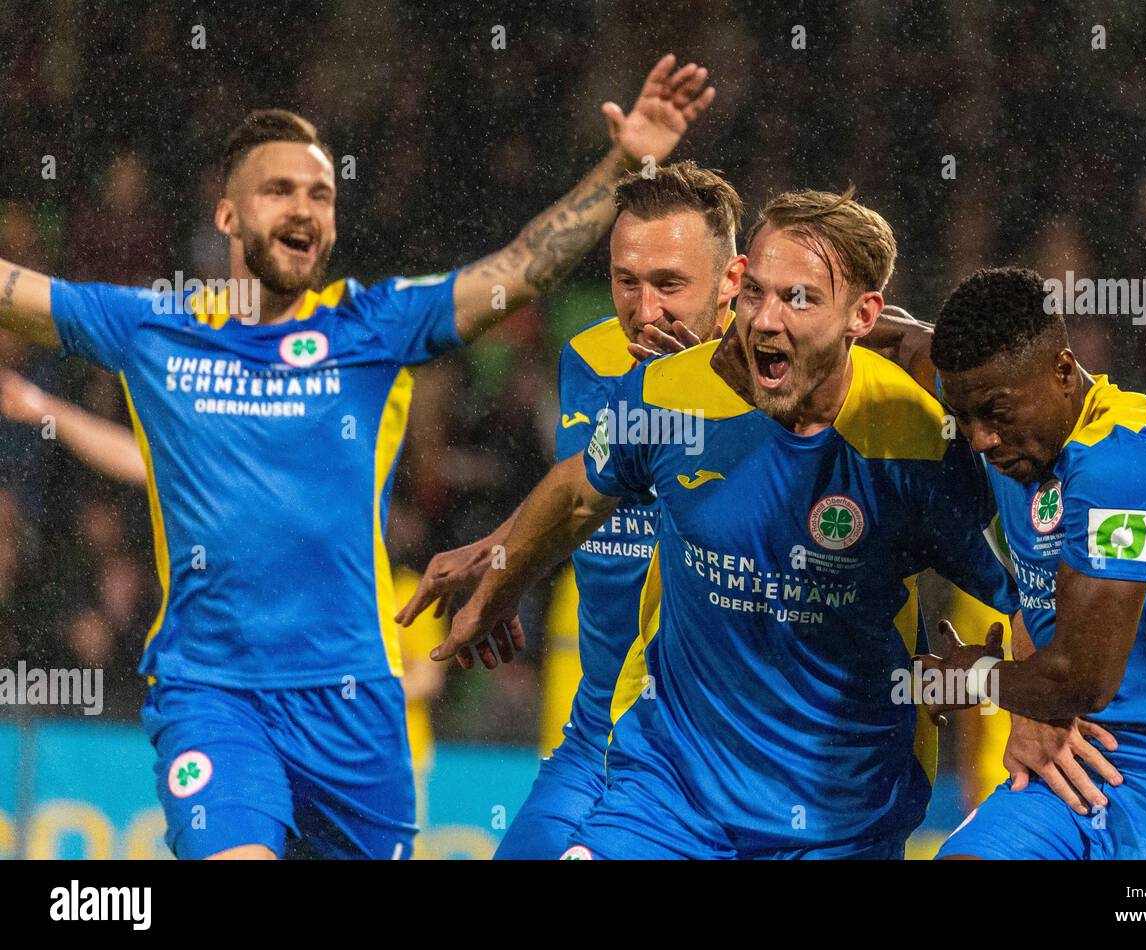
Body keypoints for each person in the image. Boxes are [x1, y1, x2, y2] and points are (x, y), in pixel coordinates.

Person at [0, 54, 716, 859]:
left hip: (357, 707)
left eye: (320, 195)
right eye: (279, 190)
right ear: (229, 217)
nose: (304, 208)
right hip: (214, 696)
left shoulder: (373, 327)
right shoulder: (152, 328)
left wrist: (627, 159)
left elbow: (522, 268)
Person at [425, 190, 1019, 859]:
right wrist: (503, 575)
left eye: (796, 299)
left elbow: (1025, 588)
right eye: (758, 295)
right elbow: (578, 494)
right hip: (670, 789)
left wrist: (1007, 685)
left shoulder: (917, 439)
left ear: (863, 315)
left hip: (838, 810)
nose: (766, 320)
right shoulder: (661, 391)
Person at [398, 160, 745, 858]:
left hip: (734, 764)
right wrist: (505, 565)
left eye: (671, 285)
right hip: (602, 741)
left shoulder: (783, 386)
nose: (645, 312)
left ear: (733, 281)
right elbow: (585, 492)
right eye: (627, 282)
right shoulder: (590, 360)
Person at [920, 266, 1146, 859]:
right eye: (965, 417)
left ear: (1063, 372)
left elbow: (1081, 678)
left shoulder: (1123, 465)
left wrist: (972, 678)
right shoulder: (1008, 416)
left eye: (996, 413)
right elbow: (892, 334)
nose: (979, 439)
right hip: (1066, 765)